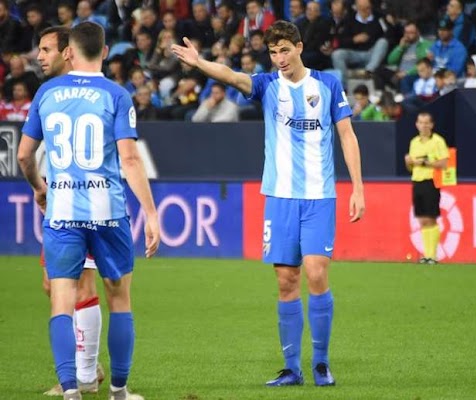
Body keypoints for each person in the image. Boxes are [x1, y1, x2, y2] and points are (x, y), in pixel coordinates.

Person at [172, 19, 365, 387]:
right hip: (279, 197)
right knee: (285, 280)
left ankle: (321, 363)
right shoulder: (267, 85)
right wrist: (199, 62)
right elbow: (230, 75)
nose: (279, 58)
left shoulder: (327, 84)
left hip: (318, 196)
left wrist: (358, 187)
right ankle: (292, 368)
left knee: (316, 272)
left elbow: (347, 135)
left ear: (298, 48)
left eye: (284, 51)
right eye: (273, 52)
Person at [17, 22, 160, 400]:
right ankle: (118, 390)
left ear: (69, 51)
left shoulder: (47, 93)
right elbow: (129, 158)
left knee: (60, 298)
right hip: (108, 212)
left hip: (62, 212)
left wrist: (38, 186)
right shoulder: (116, 95)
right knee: (119, 298)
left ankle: (70, 390)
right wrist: (151, 212)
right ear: (106, 50)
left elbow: (23, 154)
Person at [36, 26, 106, 396]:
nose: (39, 56)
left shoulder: (93, 91)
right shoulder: (49, 94)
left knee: (82, 285)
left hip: (87, 202)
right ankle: (87, 366)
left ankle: (86, 372)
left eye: (46, 49)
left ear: (68, 52)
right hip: (58, 199)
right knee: (53, 285)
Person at [404, 112, 449, 265]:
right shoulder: (414, 142)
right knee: (422, 219)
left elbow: (444, 163)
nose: (423, 125)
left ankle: (433, 255)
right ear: (416, 124)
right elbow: (410, 167)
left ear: (431, 125)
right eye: (420, 122)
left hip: (431, 181)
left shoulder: (438, 141)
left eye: (426, 123)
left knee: (431, 217)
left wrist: (423, 162)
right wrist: (409, 162)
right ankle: (426, 254)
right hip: (417, 181)